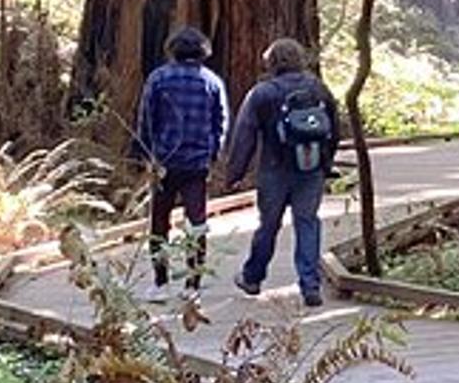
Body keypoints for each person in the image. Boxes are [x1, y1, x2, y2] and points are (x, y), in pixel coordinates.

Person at [224, 37, 340, 308]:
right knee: (307, 223)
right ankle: (310, 286)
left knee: (268, 225)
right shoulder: (319, 89)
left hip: (274, 170)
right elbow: (332, 130)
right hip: (310, 169)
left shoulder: (262, 93)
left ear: (272, 62)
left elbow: (245, 136)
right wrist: (325, 163)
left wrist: (235, 173)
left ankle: (252, 277)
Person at [134, 26, 228, 300]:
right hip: (197, 164)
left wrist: (146, 152)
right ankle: (192, 286)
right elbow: (220, 123)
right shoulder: (211, 81)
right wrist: (213, 154)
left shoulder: (159, 78)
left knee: (159, 221)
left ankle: (160, 283)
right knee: (196, 224)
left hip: (164, 162)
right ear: (203, 51)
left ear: (172, 49)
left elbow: (146, 118)